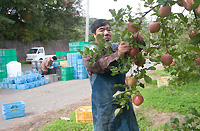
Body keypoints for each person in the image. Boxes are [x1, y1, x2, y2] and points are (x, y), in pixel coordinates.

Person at [82, 19, 139, 131]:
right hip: (105, 107)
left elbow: (136, 47)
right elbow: (100, 65)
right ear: (94, 35)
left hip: (123, 102)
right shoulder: (89, 53)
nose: (106, 33)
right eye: (102, 30)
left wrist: (136, 39)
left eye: (109, 29)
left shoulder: (116, 47)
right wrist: (118, 54)